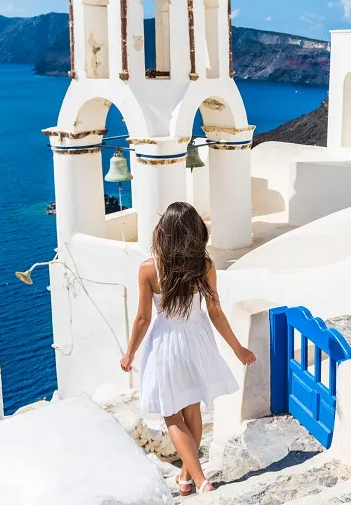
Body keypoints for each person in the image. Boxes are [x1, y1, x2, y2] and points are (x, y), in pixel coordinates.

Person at [120, 202, 256, 495]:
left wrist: (129, 353)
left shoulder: (148, 269)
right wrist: (237, 348)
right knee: (192, 411)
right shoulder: (204, 265)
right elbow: (216, 312)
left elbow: (143, 318)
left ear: (164, 232)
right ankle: (185, 477)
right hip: (197, 340)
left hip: (165, 343)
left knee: (172, 415)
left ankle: (201, 480)